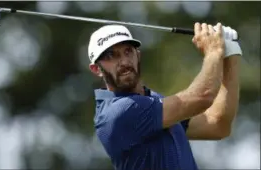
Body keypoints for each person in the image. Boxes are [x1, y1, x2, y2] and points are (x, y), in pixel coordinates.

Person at [87, 23, 242, 170]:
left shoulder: (153, 101)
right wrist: (214, 51)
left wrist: (231, 54)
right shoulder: (118, 112)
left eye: (128, 51)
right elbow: (203, 96)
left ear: (138, 55)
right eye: (111, 56)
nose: (123, 61)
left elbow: (217, 125)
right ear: (96, 69)